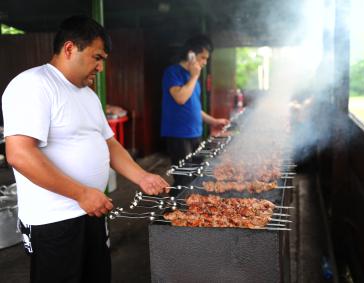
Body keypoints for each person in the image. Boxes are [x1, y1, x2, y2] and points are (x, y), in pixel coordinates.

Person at [2, 15, 169, 283]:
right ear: (70, 49)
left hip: (92, 210)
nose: (101, 67)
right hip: (54, 221)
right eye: (97, 57)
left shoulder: (88, 95)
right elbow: (19, 154)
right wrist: (80, 193)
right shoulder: (33, 85)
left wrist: (142, 176)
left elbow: (109, 143)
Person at [160, 35, 229, 186]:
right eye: (202, 57)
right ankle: (176, 208)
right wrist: (194, 76)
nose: (205, 62)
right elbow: (180, 98)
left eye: (206, 59)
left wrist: (214, 121)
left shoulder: (194, 80)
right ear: (191, 54)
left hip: (195, 134)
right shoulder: (173, 72)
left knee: (197, 177)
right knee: (183, 180)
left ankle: (190, 207)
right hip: (178, 135)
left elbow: (195, 109)